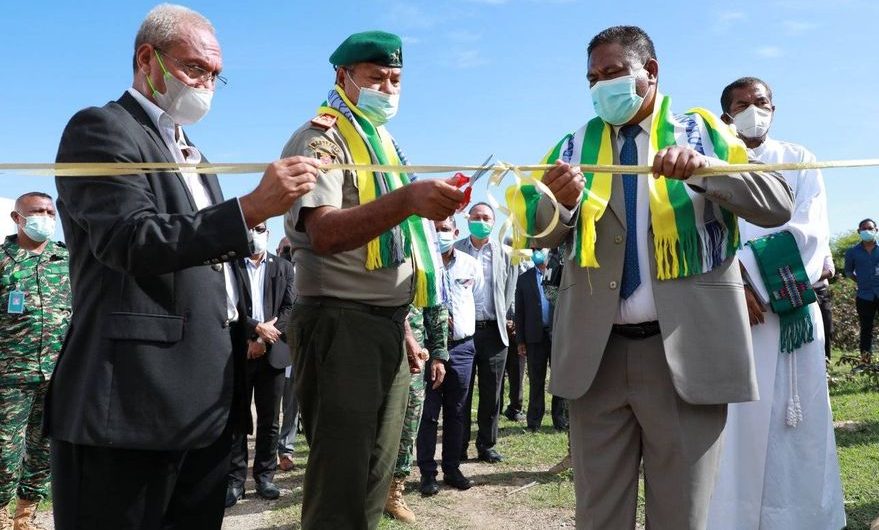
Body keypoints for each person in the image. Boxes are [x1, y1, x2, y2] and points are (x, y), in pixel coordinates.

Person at [49, 5, 320, 528]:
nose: (206, 84)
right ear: (147, 59)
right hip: (130, 405)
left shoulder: (192, 153)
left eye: (216, 75)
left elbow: (204, 271)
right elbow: (131, 240)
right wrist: (250, 209)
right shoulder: (102, 130)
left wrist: (244, 324)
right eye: (195, 68)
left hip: (204, 406)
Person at [514, 25, 793, 528]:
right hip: (596, 359)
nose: (602, 85)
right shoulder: (573, 146)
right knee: (597, 514)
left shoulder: (704, 133)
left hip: (686, 356)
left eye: (614, 73)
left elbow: (777, 205)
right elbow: (538, 237)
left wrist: (707, 171)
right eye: (593, 77)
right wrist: (562, 203)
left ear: (652, 73)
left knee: (681, 514)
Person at [281, 30, 464, 529]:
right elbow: (321, 232)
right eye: (376, 77)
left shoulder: (383, 144)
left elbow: (387, 255)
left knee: (376, 474)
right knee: (341, 479)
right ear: (344, 77)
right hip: (340, 323)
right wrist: (406, 201)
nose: (387, 88)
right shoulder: (324, 137)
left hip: (386, 324)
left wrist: (404, 326)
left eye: (396, 79)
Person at [708, 76, 845, 530]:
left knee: (797, 422)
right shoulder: (710, 163)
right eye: (742, 104)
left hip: (789, 307)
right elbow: (699, 234)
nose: (753, 109)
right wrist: (733, 286)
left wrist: (751, 278)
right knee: (733, 426)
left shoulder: (798, 159)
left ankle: (801, 518)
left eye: (761, 102)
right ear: (726, 114)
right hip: (730, 313)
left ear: (774, 107)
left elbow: (809, 230)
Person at [0, 193, 71, 529]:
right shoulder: (3, 260)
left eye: (49, 211)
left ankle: (25, 515)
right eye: (37, 212)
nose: (45, 216)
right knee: (4, 453)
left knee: (43, 451)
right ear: (18, 218)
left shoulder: (66, 259)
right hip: (9, 375)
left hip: (57, 374)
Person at [226, 223, 295, 507]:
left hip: (273, 354)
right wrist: (254, 331)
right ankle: (235, 481)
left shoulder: (283, 267)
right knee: (237, 418)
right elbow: (226, 305)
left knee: (270, 420)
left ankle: (265, 477)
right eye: (250, 228)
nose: (255, 233)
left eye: (260, 228)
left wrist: (265, 339)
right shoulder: (230, 265)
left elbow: (290, 309)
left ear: (268, 232)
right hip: (239, 352)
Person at [417, 216, 482, 496]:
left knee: (457, 412)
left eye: (445, 229)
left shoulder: (470, 264)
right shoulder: (421, 263)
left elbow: (476, 299)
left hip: (463, 348)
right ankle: (427, 473)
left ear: (455, 232)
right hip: (429, 350)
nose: (441, 233)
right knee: (428, 414)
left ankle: (452, 468)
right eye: (435, 229)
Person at [456, 202, 516, 463]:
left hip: (494, 332)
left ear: (494, 222)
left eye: (487, 217)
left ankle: (486, 444)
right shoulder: (455, 249)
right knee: (461, 392)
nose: (481, 221)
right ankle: (458, 445)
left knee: (492, 393)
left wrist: (508, 317)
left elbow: (510, 287)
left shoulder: (505, 253)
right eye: (476, 216)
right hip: (463, 333)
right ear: (468, 218)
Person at [385, 303, 447, 522]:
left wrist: (438, 355)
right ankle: (368, 492)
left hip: (414, 360)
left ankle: (394, 492)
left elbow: (436, 307)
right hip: (374, 349)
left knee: (409, 425)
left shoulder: (426, 268)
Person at [515, 248, 566, 432]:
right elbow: (519, 311)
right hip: (534, 336)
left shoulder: (560, 273)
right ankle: (534, 421)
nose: (537, 252)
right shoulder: (524, 278)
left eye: (540, 249)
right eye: (534, 249)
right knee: (536, 379)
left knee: (559, 378)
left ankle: (560, 419)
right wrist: (520, 340)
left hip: (558, 334)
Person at [274, 235, 298, 472]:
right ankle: (279, 450)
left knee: (295, 404)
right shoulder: (277, 274)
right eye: (286, 250)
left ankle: (289, 448)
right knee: (278, 406)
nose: (290, 253)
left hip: (302, 350)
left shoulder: (306, 274)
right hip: (278, 345)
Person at [844, 218, 879, 363]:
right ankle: (866, 362)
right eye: (864, 229)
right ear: (859, 232)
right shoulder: (852, 252)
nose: (867, 231)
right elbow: (848, 272)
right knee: (866, 330)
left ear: (876, 230)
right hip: (864, 296)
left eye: (870, 228)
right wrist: (862, 281)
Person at [815, 254, 835, 360]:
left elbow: (830, 271)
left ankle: (826, 361)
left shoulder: (823, 246)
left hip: (821, 293)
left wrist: (809, 277)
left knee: (827, 329)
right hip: (803, 292)